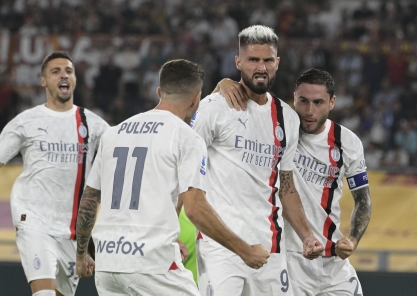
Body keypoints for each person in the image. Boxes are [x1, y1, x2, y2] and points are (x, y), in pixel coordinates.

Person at [74, 59, 270, 295]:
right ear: (196, 99)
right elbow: (195, 209)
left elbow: (89, 199)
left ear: (159, 92)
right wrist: (245, 251)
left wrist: (82, 254)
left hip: (108, 266)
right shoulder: (186, 137)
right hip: (152, 266)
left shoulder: (114, 133)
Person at [0, 51, 109, 296]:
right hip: (34, 221)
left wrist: (85, 247)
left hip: (70, 231)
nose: (63, 75)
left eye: (68, 71)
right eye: (55, 71)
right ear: (43, 81)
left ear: (75, 79)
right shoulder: (25, 122)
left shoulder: (94, 125)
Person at [191, 25, 323, 296]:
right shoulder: (215, 107)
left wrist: (307, 235)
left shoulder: (287, 118)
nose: (261, 67)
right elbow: (184, 169)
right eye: (253, 60)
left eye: (267, 60)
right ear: (238, 62)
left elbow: (286, 187)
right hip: (222, 248)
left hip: (270, 249)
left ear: (277, 63)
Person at [217, 68, 372, 295]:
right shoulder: (276, 127)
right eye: (303, 101)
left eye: (318, 102)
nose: (309, 111)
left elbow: (363, 200)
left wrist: (354, 240)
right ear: (294, 98)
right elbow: (242, 101)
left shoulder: (347, 142)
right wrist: (222, 84)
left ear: (332, 102)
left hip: (332, 261)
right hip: (287, 258)